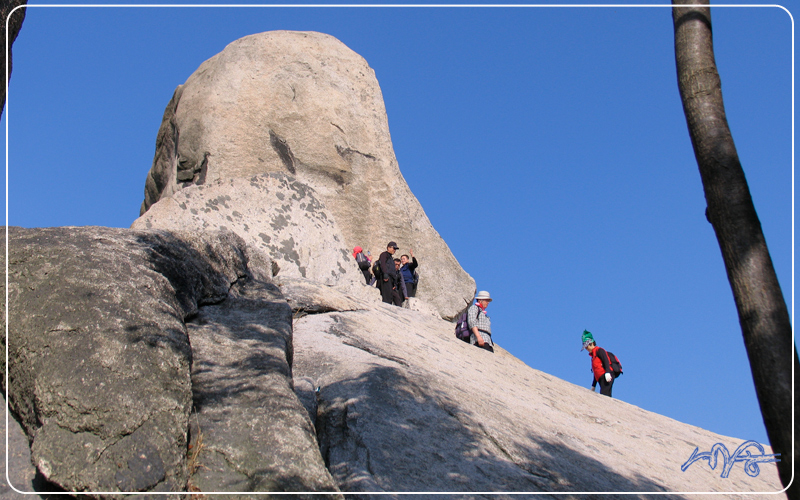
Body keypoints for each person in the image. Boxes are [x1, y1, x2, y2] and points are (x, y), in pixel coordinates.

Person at [378, 242, 402, 306]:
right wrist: (385, 274)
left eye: (395, 249)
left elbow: (392, 271)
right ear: (389, 247)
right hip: (386, 279)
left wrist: (394, 283)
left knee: (395, 298)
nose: (394, 250)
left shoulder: (391, 258)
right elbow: (382, 264)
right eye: (394, 248)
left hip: (391, 281)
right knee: (387, 298)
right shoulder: (384, 255)